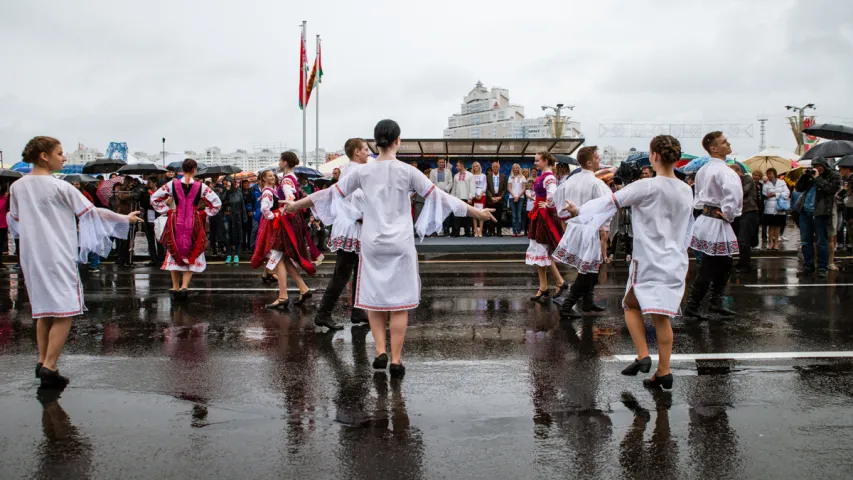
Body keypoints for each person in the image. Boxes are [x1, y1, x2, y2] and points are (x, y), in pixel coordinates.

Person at [284, 119, 494, 377]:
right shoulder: (407, 171)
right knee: (399, 304)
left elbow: (330, 193)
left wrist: (295, 206)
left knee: (374, 300)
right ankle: (396, 359)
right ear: (398, 141)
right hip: (401, 244)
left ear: (375, 143)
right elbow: (440, 196)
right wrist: (476, 212)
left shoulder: (363, 172)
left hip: (372, 243)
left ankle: (379, 351)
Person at [558, 135, 692, 390]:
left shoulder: (646, 186)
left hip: (649, 258)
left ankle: (642, 355)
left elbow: (610, 202)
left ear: (654, 157)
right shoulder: (686, 189)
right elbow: (687, 227)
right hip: (675, 260)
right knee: (662, 318)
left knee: (630, 306)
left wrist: (579, 212)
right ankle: (664, 371)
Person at [8, 136, 142, 387]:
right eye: (59, 153)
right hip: (57, 253)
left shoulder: (17, 186)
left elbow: (15, 220)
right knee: (65, 310)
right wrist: (125, 219)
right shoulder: (61, 187)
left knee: (43, 310)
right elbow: (91, 213)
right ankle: (50, 365)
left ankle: (42, 360)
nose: (64, 157)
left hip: (31, 255)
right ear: (44, 156)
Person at [312, 138, 371, 330]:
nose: (368, 153)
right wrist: (363, 215)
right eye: (365, 149)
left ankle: (357, 310)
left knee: (357, 270)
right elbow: (348, 199)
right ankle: (324, 313)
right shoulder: (354, 171)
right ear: (356, 152)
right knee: (343, 273)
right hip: (352, 227)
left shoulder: (351, 169)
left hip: (353, 226)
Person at [684, 132, 743, 320]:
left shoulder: (703, 170)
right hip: (716, 220)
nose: (728, 143)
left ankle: (715, 302)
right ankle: (693, 306)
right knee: (710, 265)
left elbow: (699, 198)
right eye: (724, 142)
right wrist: (729, 214)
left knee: (724, 262)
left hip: (707, 219)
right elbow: (733, 196)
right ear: (713, 148)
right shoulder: (725, 171)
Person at [552, 146, 611, 317]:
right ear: (589, 162)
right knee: (587, 270)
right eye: (597, 158)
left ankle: (588, 302)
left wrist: (567, 215)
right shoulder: (596, 183)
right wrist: (604, 228)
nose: (599, 160)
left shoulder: (570, 181)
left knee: (591, 268)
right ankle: (567, 306)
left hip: (575, 228)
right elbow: (604, 207)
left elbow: (559, 203)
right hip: (588, 229)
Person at [251, 153, 316, 308]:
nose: (279, 163)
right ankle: (303, 288)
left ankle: (283, 296)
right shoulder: (291, 177)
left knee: (279, 257)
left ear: (285, 162)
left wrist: (281, 211)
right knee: (284, 258)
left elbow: (291, 198)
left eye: (280, 160)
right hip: (289, 220)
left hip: (284, 221)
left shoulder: (286, 180)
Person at [151, 159, 222, 299]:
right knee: (192, 250)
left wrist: (167, 211)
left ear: (182, 169)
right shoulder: (201, 186)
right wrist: (204, 213)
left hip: (176, 220)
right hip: (193, 220)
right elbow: (216, 203)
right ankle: (185, 286)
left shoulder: (172, 184)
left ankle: (175, 287)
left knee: (174, 250)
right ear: (195, 169)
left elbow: (154, 198)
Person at [526, 151, 567, 303]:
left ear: (545, 161)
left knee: (542, 251)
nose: (535, 163)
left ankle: (560, 282)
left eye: (537, 160)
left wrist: (547, 203)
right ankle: (544, 286)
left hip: (543, 216)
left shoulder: (549, 177)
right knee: (539, 252)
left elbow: (553, 194)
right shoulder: (544, 176)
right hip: (539, 213)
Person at [795, 157, 842, 279]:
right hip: (805, 212)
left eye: (819, 166)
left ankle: (822, 267)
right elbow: (798, 188)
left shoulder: (833, 176)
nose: (817, 168)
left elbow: (830, 189)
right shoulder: (810, 175)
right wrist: (804, 176)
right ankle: (808, 265)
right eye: (815, 166)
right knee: (806, 242)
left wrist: (817, 178)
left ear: (824, 165)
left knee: (822, 242)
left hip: (820, 213)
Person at [733, 164, 759, 273]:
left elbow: (742, 192)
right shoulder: (736, 181)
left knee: (744, 239)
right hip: (740, 212)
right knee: (740, 238)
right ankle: (743, 261)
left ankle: (745, 264)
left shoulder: (747, 179)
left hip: (749, 211)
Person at [762, 168, 789, 251]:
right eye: (767, 174)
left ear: (774, 173)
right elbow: (764, 194)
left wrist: (776, 194)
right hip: (769, 207)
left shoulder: (782, 182)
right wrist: (768, 195)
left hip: (779, 207)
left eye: (770, 173)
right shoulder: (766, 184)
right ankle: (770, 243)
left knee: (777, 227)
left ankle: (776, 243)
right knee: (770, 226)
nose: (769, 175)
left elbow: (787, 193)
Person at [222, 178, 246, 264]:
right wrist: (226, 190)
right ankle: (228, 255)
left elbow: (242, 203)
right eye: (224, 184)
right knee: (228, 235)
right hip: (227, 215)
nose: (226, 185)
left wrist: (244, 216)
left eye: (227, 183)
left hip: (237, 216)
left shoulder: (238, 191)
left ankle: (236, 255)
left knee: (237, 235)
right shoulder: (225, 191)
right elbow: (222, 199)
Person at [142, 176, 165, 267]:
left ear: (155, 183)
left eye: (150, 182)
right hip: (148, 216)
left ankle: (161, 258)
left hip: (158, 216)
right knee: (150, 239)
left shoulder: (160, 192)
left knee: (159, 238)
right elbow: (143, 203)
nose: (148, 184)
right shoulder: (145, 192)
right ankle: (153, 259)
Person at [429, 158, 454, 236]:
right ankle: (435, 231)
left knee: (446, 213)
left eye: (443, 162)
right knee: (436, 213)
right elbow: (431, 182)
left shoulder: (448, 171)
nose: (441, 163)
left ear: (444, 163)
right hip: (436, 194)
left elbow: (451, 182)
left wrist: (445, 189)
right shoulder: (433, 171)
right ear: (437, 163)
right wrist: (437, 190)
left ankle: (446, 231)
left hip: (445, 194)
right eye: (440, 162)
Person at [451, 161, 474, 237]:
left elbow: (472, 187)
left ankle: (467, 232)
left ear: (462, 165)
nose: (456, 167)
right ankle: (456, 232)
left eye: (457, 166)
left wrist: (470, 198)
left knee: (467, 216)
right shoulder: (456, 176)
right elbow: (454, 187)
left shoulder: (470, 175)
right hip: (457, 198)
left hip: (466, 198)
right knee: (456, 216)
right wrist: (452, 198)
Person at [485, 161, 507, 236]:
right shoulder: (488, 177)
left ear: (499, 167)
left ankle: (499, 231)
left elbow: (505, 189)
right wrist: (491, 197)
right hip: (491, 199)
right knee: (490, 215)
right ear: (492, 167)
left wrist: (500, 197)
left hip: (500, 199)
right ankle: (490, 231)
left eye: (496, 166)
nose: (495, 168)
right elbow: (486, 188)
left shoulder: (503, 176)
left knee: (499, 216)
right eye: (494, 166)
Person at [508, 163, 526, 237]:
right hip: (512, 198)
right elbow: (509, 188)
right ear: (512, 169)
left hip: (520, 198)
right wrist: (514, 196)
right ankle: (514, 231)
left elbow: (524, 188)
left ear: (519, 169)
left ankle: (518, 231)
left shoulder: (522, 177)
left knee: (518, 215)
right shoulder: (510, 177)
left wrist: (518, 196)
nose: (515, 169)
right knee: (513, 215)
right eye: (514, 168)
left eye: (517, 168)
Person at [470, 162, 487, 237]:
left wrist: (480, 195)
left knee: (481, 213)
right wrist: (473, 195)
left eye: (477, 166)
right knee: (474, 214)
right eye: (474, 166)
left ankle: (480, 231)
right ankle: (475, 231)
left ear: (479, 167)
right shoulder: (471, 176)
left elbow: (485, 186)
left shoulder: (483, 175)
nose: (475, 167)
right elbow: (470, 186)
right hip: (473, 195)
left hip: (482, 195)